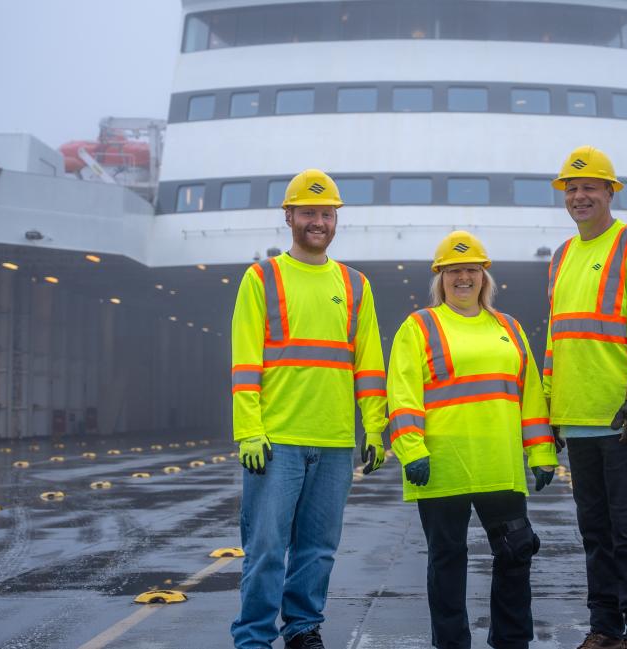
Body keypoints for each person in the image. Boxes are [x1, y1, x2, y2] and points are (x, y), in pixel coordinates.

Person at [229, 169, 388, 649]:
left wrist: (376, 429)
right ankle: (254, 637)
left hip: (336, 441)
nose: (318, 221)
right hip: (277, 441)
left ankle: (302, 630)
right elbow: (244, 361)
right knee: (266, 549)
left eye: (326, 213)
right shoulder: (263, 277)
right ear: (289, 217)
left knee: (318, 550)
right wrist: (248, 430)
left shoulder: (355, 284)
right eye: (308, 213)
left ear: (335, 219)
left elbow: (369, 364)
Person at [387, 231, 558, 649]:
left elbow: (530, 395)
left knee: (517, 552)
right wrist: (411, 450)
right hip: (442, 467)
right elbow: (403, 393)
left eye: (471, 270)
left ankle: (512, 641)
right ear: (440, 277)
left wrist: (541, 451)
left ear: (484, 277)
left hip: (499, 464)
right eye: (454, 271)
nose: (463, 278)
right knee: (447, 562)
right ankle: (451, 644)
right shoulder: (419, 326)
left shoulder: (509, 328)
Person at [544, 146, 627, 649]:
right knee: (594, 532)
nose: (579, 196)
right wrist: (550, 407)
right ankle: (604, 628)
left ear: (610, 192)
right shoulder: (561, 257)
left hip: (623, 417)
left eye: (589, 187)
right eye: (571, 189)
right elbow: (557, 339)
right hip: (577, 417)